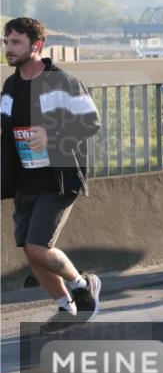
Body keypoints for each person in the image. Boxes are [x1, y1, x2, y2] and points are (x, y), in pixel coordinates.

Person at [2, 17, 102, 334]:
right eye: (6, 42)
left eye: (15, 42)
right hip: (24, 178)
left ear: (36, 45)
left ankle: (83, 286)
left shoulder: (62, 81)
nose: (8, 48)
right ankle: (67, 308)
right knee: (33, 253)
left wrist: (53, 135)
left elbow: (90, 121)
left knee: (37, 246)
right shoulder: (10, 85)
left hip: (59, 177)